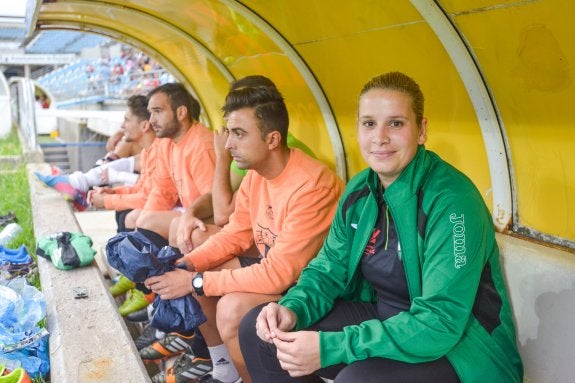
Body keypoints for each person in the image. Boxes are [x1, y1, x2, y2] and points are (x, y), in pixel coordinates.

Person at [239, 71, 524, 383]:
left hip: (461, 349)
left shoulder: (452, 201)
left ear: (422, 130)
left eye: (396, 123)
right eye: (369, 123)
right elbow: (328, 268)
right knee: (265, 334)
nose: (380, 137)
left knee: (357, 379)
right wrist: (292, 308)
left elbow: (440, 322)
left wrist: (333, 347)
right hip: (384, 321)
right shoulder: (361, 189)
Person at [145, 85, 344, 383]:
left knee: (229, 307)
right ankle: (225, 370)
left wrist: (196, 281)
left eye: (239, 134)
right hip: (279, 272)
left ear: (272, 139)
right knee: (196, 271)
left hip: (310, 288)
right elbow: (235, 234)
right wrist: (188, 265)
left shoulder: (312, 185)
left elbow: (281, 274)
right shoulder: (256, 175)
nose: (227, 145)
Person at [87, 94, 157, 233]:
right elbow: (143, 188)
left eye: (126, 120)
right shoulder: (148, 152)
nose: (122, 126)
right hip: (152, 203)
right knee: (124, 213)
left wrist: (108, 199)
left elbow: (151, 197)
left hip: (167, 210)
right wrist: (112, 192)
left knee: (129, 216)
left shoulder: (161, 151)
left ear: (144, 125)